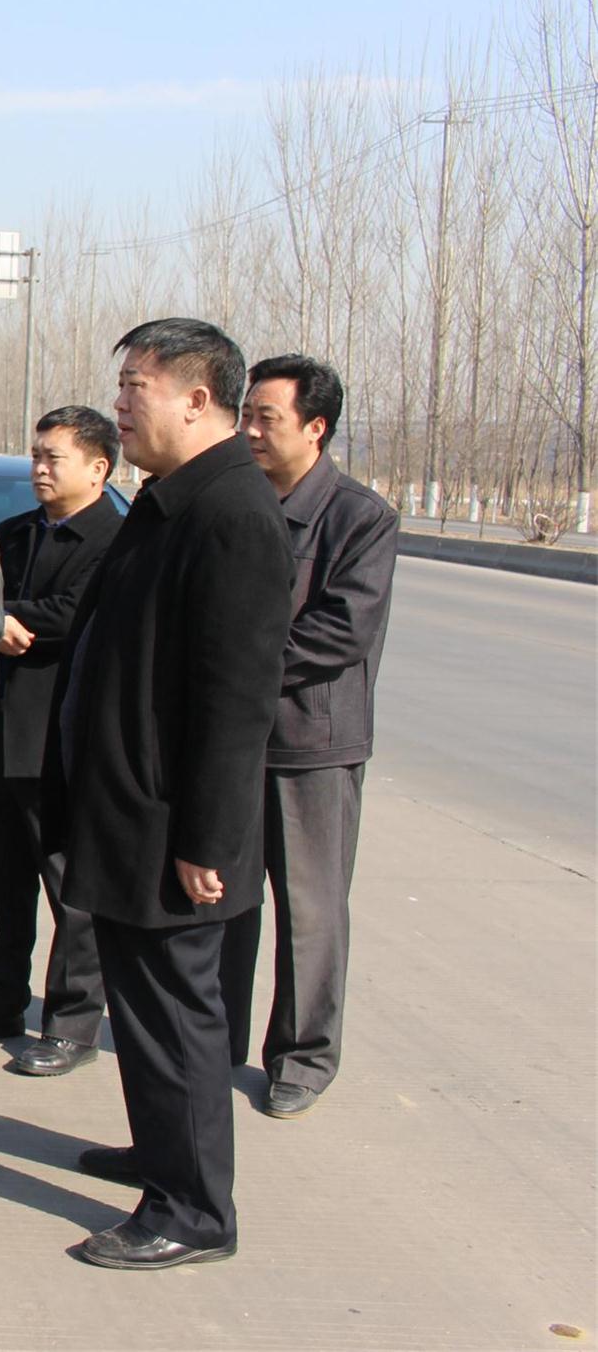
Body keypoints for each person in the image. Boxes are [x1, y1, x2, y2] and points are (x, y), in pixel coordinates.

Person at [45, 317, 291, 1271]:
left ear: (197, 398)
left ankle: (193, 1211)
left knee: (178, 1016)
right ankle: (161, 1152)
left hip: (171, 829)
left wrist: (208, 842)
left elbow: (237, 698)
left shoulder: (231, 513)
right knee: (143, 1011)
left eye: (135, 387)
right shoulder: (170, 499)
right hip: (130, 810)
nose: (119, 405)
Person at [218, 354, 399, 1117]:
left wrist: (235, 668)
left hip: (311, 746)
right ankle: (213, 1041)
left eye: (267, 418)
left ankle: (302, 1057)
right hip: (233, 740)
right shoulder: (237, 502)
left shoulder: (360, 517)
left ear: (315, 428)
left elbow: (341, 632)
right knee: (221, 903)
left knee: (310, 909)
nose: (251, 431)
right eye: (246, 416)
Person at [0, 406, 125, 1077]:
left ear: (98, 467)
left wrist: (0, 615)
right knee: (1, 883)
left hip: (64, 741)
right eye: (36, 455)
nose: (39, 468)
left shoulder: (116, 542)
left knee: (73, 891)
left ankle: (71, 1022)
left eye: (53, 458)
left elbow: (74, 615)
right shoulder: (12, 536)